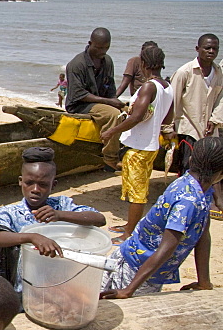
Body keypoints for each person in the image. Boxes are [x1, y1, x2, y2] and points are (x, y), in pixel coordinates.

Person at [100, 136, 222, 299]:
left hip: (148, 270)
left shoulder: (202, 190)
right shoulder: (188, 201)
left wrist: (203, 282)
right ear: (220, 175)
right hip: (135, 268)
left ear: (191, 160)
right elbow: (166, 248)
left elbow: (203, 234)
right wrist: (128, 290)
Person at [0, 147, 105, 289]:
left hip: (63, 280)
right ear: (20, 181)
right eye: (29, 183)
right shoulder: (11, 213)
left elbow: (99, 219)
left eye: (43, 185)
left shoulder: (62, 205)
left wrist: (60, 215)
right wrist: (31, 237)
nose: (35, 189)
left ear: (53, 185)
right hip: (28, 284)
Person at [99, 46, 174, 241]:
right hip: (151, 145)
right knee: (138, 188)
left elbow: (137, 116)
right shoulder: (167, 86)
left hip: (140, 148)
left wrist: (111, 131)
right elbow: (168, 117)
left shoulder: (149, 87)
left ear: (143, 64)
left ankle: (129, 234)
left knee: (137, 194)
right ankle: (129, 225)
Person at [64, 28, 123, 171]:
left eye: (106, 48)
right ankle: (110, 158)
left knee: (129, 112)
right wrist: (109, 102)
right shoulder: (77, 65)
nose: (102, 51)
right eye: (99, 48)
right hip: (80, 104)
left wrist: (118, 103)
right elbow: (79, 94)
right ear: (90, 43)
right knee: (113, 115)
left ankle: (126, 150)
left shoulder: (107, 61)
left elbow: (110, 89)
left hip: (100, 102)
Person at [166, 34, 222, 175]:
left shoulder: (218, 73)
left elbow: (221, 99)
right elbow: (172, 100)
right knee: (187, 166)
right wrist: (168, 127)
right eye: (207, 48)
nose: (211, 51)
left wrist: (215, 120)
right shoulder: (184, 72)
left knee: (208, 168)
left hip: (209, 130)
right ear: (197, 49)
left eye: (215, 48)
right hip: (188, 129)